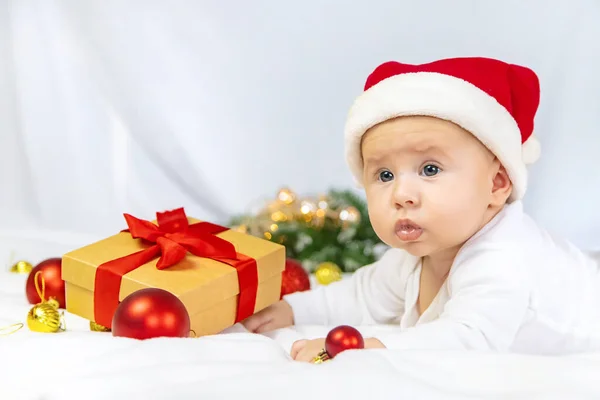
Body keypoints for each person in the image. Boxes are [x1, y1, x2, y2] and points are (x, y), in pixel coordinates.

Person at [242, 56, 600, 362]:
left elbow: (466, 340)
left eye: (430, 169)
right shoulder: (419, 254)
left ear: (497, 184)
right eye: (384, 175)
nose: (401, 194)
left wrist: (371, 347)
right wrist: (293, 310)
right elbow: (360, 295)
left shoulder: (504, 260)